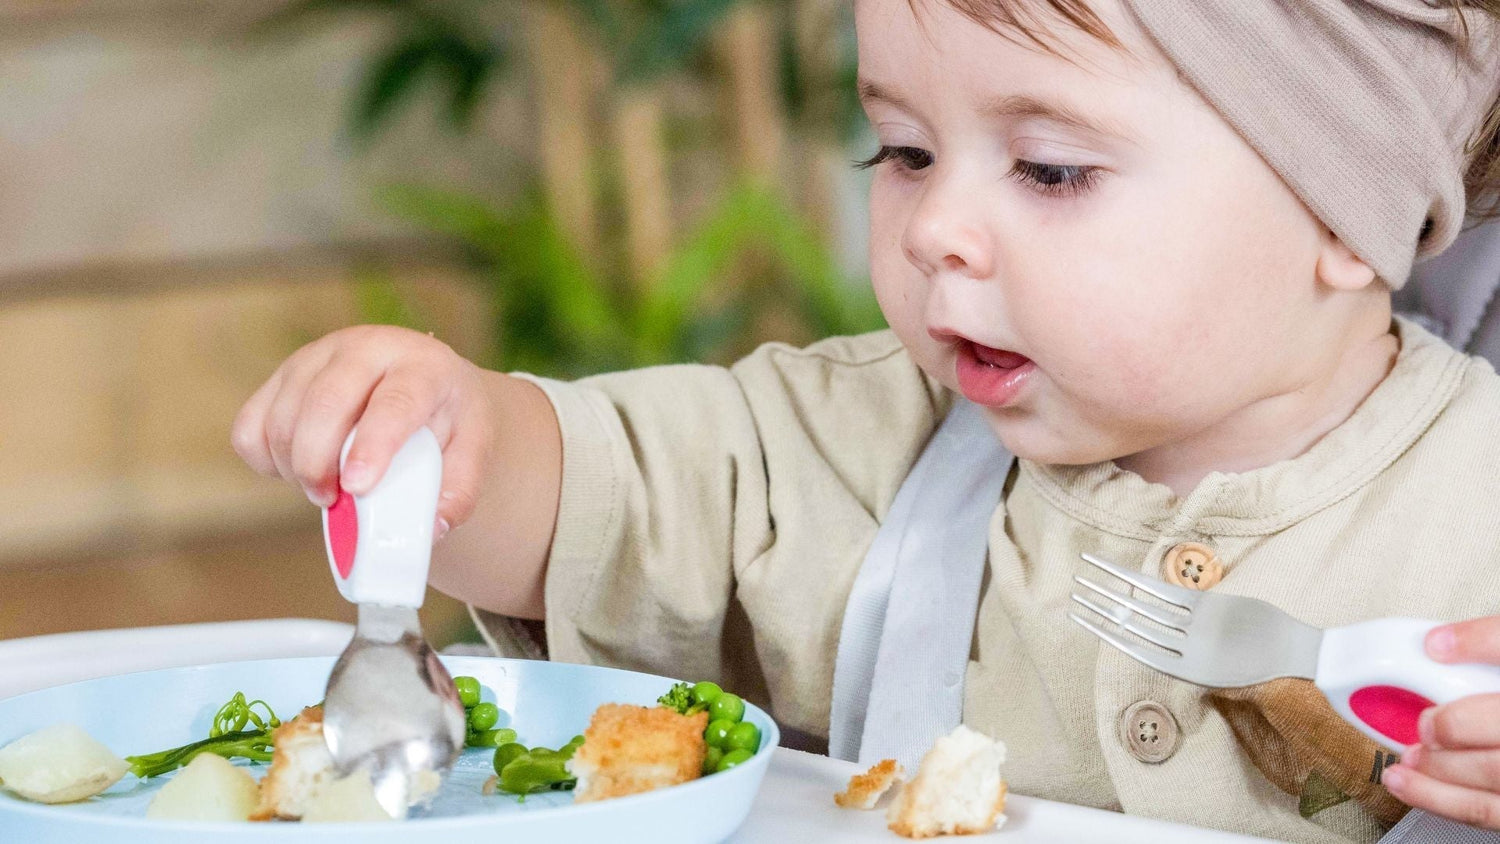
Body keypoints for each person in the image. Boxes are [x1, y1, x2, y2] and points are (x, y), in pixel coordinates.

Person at [230, 0, 1500, 840]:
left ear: (1346, 218)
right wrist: (456, 439)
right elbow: (606, 497)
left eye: (1051, 169)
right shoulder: (856, 436)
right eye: (901, 150)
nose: (936, 228)